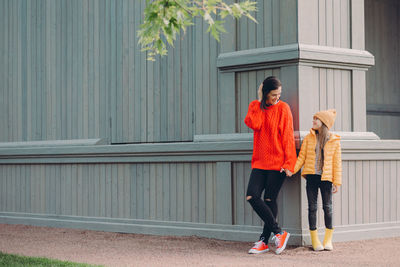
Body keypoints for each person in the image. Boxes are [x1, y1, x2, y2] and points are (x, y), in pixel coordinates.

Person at [244, 76, 296, 255]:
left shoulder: (283, 108)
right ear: (265, 93)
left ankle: (264, 241)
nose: (277, 98)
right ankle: (279, 233)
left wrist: (290, 163)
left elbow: (288, 136)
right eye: (273, 95)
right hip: (259, 162)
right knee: (252, 196)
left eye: (279, 94)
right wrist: (259, 101)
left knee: (269, 200)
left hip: (278, 163)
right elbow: (254, 123)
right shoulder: (256, 106)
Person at [293, 109, 342, 251]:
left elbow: (337, 163)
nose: (313, 121)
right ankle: (315, 241)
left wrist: (337, 182)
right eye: (313, 118)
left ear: (324, 123)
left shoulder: (334, 141)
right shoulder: (309, 138)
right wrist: (292, 170)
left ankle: (328, 240)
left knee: (327, 208)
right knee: (312, 208)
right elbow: (301, 158)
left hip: (326, 179)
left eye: (316, 119)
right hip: (311, 177)